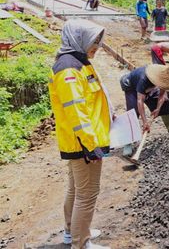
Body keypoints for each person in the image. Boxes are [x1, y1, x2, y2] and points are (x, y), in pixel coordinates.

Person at [48, 19, 112, 249]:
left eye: (98, 40)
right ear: (79, 39)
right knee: (87, 194)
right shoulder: (68, 68)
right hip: (82, 143)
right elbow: (76, 111)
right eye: (94, 40)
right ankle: (81, 242)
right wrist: (90, 145)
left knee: (76, 189)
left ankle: (73, 231)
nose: (97, 45)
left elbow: (91, 102)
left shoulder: (80, 62)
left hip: (83, 140)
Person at [119, 64, 169, 134]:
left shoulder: (162, 78)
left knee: (164, 103)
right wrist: (145, 122)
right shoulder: (143, 79)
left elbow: (162, 95)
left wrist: (158, 109)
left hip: (148, 87)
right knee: (133, 113)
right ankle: (129, 139)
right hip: (131, 87)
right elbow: (140, 101)